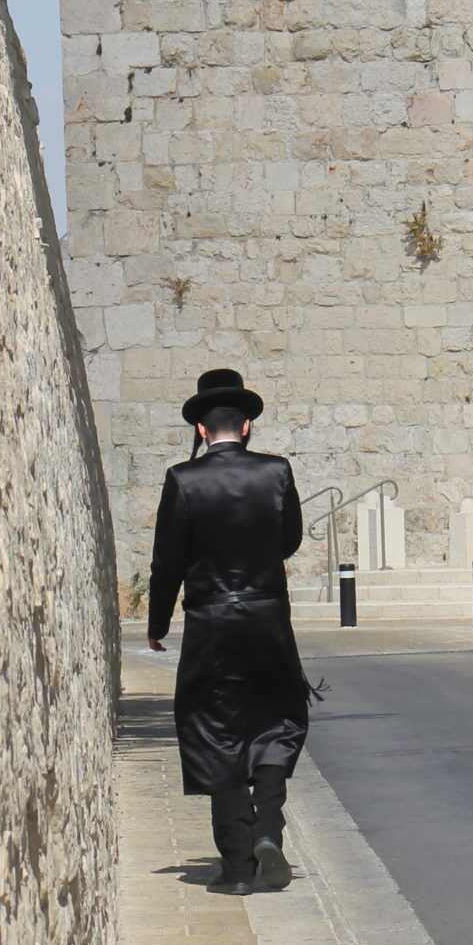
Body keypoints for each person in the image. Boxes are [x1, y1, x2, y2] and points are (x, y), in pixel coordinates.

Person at [146, 367, 312, 894]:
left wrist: (156, 623)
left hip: (210, 621)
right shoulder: (277, 472)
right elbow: (290, 540)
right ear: (246, 426)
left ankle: (238, 868)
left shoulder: (182, 479)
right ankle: (269, 826)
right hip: (266, 617)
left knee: (216, 731)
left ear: (201, 429)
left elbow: (166, 561)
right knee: (278, 719)